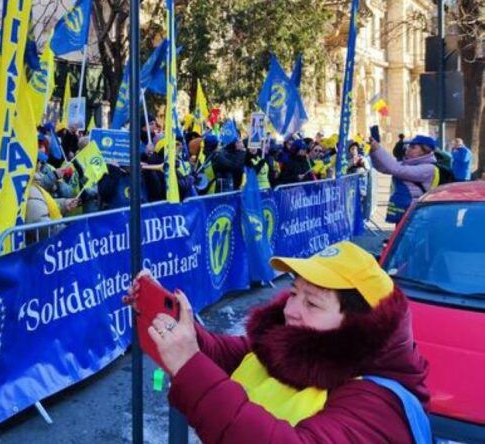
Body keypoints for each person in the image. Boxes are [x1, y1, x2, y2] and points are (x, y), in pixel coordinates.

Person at [137, 241, 429, 443]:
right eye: (293, 293)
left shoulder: (377, 405)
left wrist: (191, 367)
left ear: (359, 323)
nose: (290, 310)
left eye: (312, 303)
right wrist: (173, 321)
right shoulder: (294, 347)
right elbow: (226, 355)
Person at [370, 134, 439, 223]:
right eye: (408, 146)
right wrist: (374, 152)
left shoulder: (429, 168)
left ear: (425, 151)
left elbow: (396, 169)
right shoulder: (406, 163)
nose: (408, 149)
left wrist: (378, 149)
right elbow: (383, 168)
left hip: (416, 215)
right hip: (403, 212)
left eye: (413, 147)